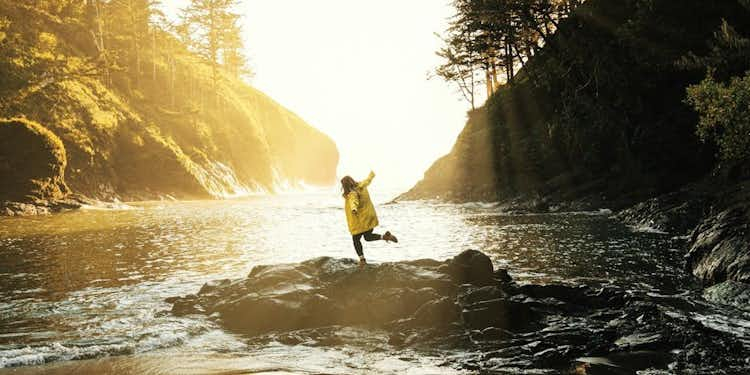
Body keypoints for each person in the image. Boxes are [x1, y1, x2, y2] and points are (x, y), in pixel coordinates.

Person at [341, 171, 397, 267]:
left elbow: (353, 201)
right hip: (370, 217)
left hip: (360, 221)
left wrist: (354, 209)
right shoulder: (362, 186)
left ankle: (362, 260)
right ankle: (385, 237)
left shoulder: (352, 194)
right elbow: (368, 180)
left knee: (356, 239)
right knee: (367, 236)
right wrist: (372, 174)